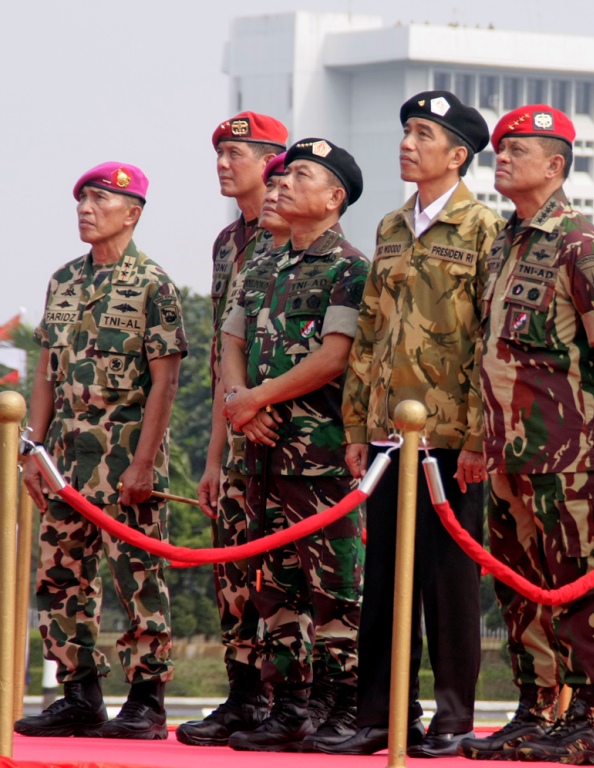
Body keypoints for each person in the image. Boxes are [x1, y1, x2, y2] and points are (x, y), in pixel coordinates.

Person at [459, 104, 594, 766]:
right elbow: (490, 349)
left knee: (580, 582)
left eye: (518, 150)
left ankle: (584, 717)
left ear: (555, 165)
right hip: (507, 449)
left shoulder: (581, 247)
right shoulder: (504, 242)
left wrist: (593, 409)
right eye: (499, 150)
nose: (501, 158)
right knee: (521, 585)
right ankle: (535, 708)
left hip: (570, 451)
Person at [329, 90, 502, 757]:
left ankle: (454, 720)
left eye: (423, 134)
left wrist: (482, 436)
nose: (408, 143)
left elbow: (491, 341)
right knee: (385, 584)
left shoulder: (483, 228)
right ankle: (382, 713)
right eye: (406, 131)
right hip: (386, 435)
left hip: (452, 441)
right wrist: (354, 428)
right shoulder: (391, 228)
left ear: (457, 154)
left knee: (449, 584)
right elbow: (369, 333)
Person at [16, 163, 187, 740]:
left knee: (137, 575)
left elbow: (165, 383)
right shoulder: (63, 280)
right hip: (64, 461)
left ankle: (146, 698)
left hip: (125, 460)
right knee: (60, 576)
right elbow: (45, 372)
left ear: (131, 212)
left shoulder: (153, 285)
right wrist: (32, 451)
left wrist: (143, 462)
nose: (85, 208)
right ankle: (80, 693)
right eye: (82, 199)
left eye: (98, 199)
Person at [220, 138, 369, 752]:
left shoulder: (349, 268)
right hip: (260, 453)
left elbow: (335, 358)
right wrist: (238, 400)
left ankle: (343, 706)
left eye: (297, 177)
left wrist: (259, 398)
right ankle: (289, 705)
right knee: (274, 582)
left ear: (334, 198)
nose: (278, 185)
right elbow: (230, 340)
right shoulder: (259, 264)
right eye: (277, 178)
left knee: (333, 585)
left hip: (321, 453)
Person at [177, 111, 287, 748]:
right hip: (237, 426)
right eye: (219, 152)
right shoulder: (227, 243)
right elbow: (224, 356)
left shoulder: (295, 232)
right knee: (233, 568)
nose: (223, 163)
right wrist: (214, 457)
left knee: (283, 572)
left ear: (272, 157)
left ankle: (288, 698)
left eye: (236, 152)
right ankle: (243, 694)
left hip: (284, 427)